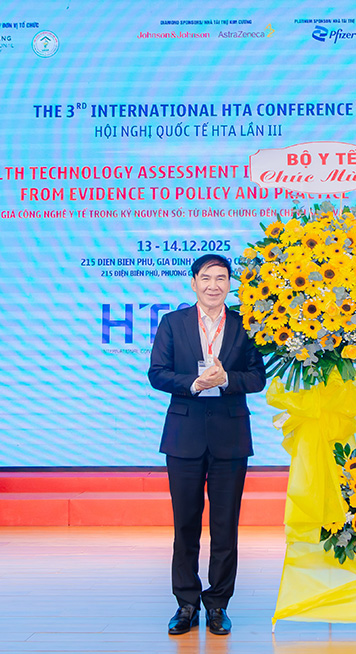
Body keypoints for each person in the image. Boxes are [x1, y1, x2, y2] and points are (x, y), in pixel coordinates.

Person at [148, 253, 266, 637]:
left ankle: (218, 604)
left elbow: (257, 377)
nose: (213, 285)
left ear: (230, 284)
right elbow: (157, 373)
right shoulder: (173, 322)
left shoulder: (246, 324)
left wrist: (227, 379)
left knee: (225, 526)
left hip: (230, 437)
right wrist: (195, 384)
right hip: (184, 436)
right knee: (185, 525)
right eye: (206, 278)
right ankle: (186, 603)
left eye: (221, 278)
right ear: (193, 283)